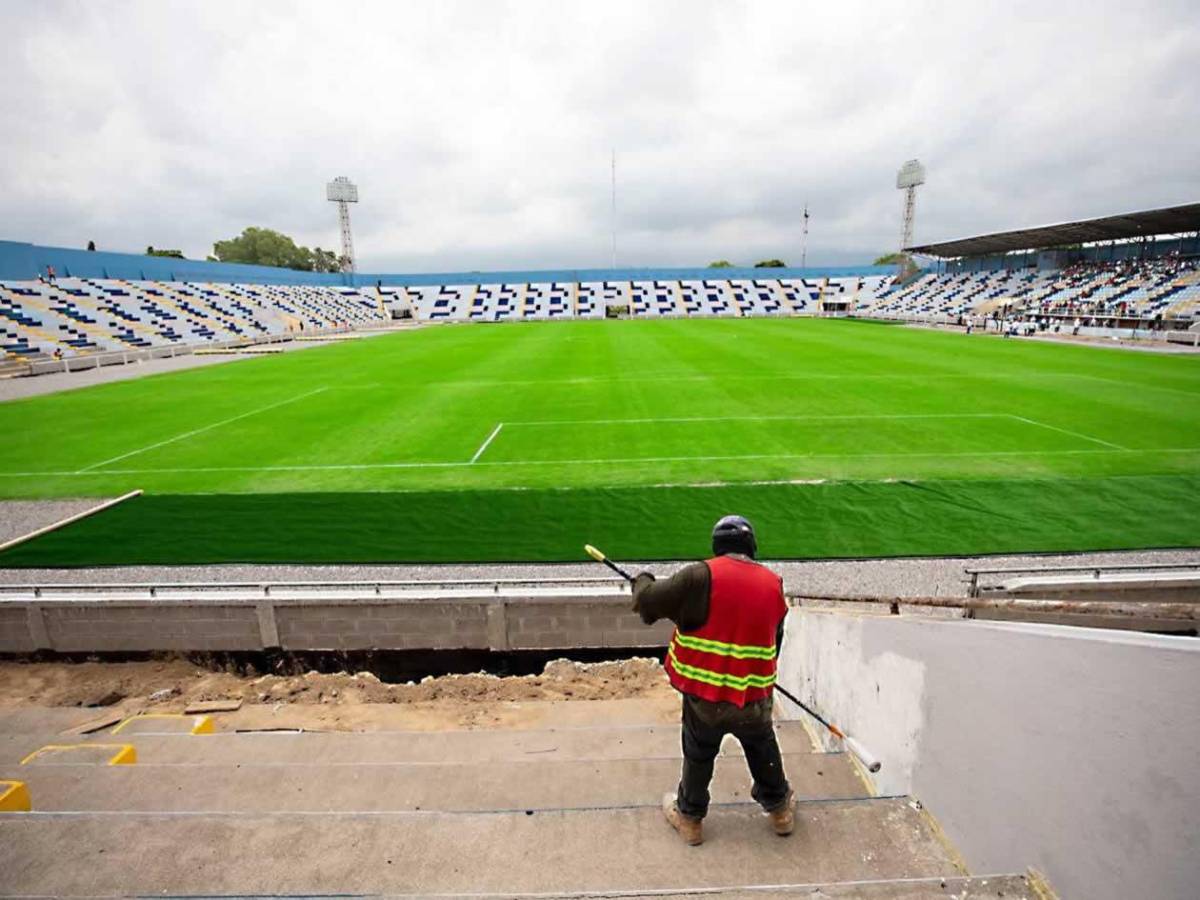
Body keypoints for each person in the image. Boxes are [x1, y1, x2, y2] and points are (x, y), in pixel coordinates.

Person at [631, 515, 793, 846]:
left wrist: (642, 580)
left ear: (717, 546)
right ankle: (780, 813)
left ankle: (690, 819)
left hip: (705, 696)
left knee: (699, 751)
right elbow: (775, 640)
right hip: (752, 696)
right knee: (762, 747)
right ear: (751, 547)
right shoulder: (773, 583)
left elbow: (647, 603)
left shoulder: (699, 575)